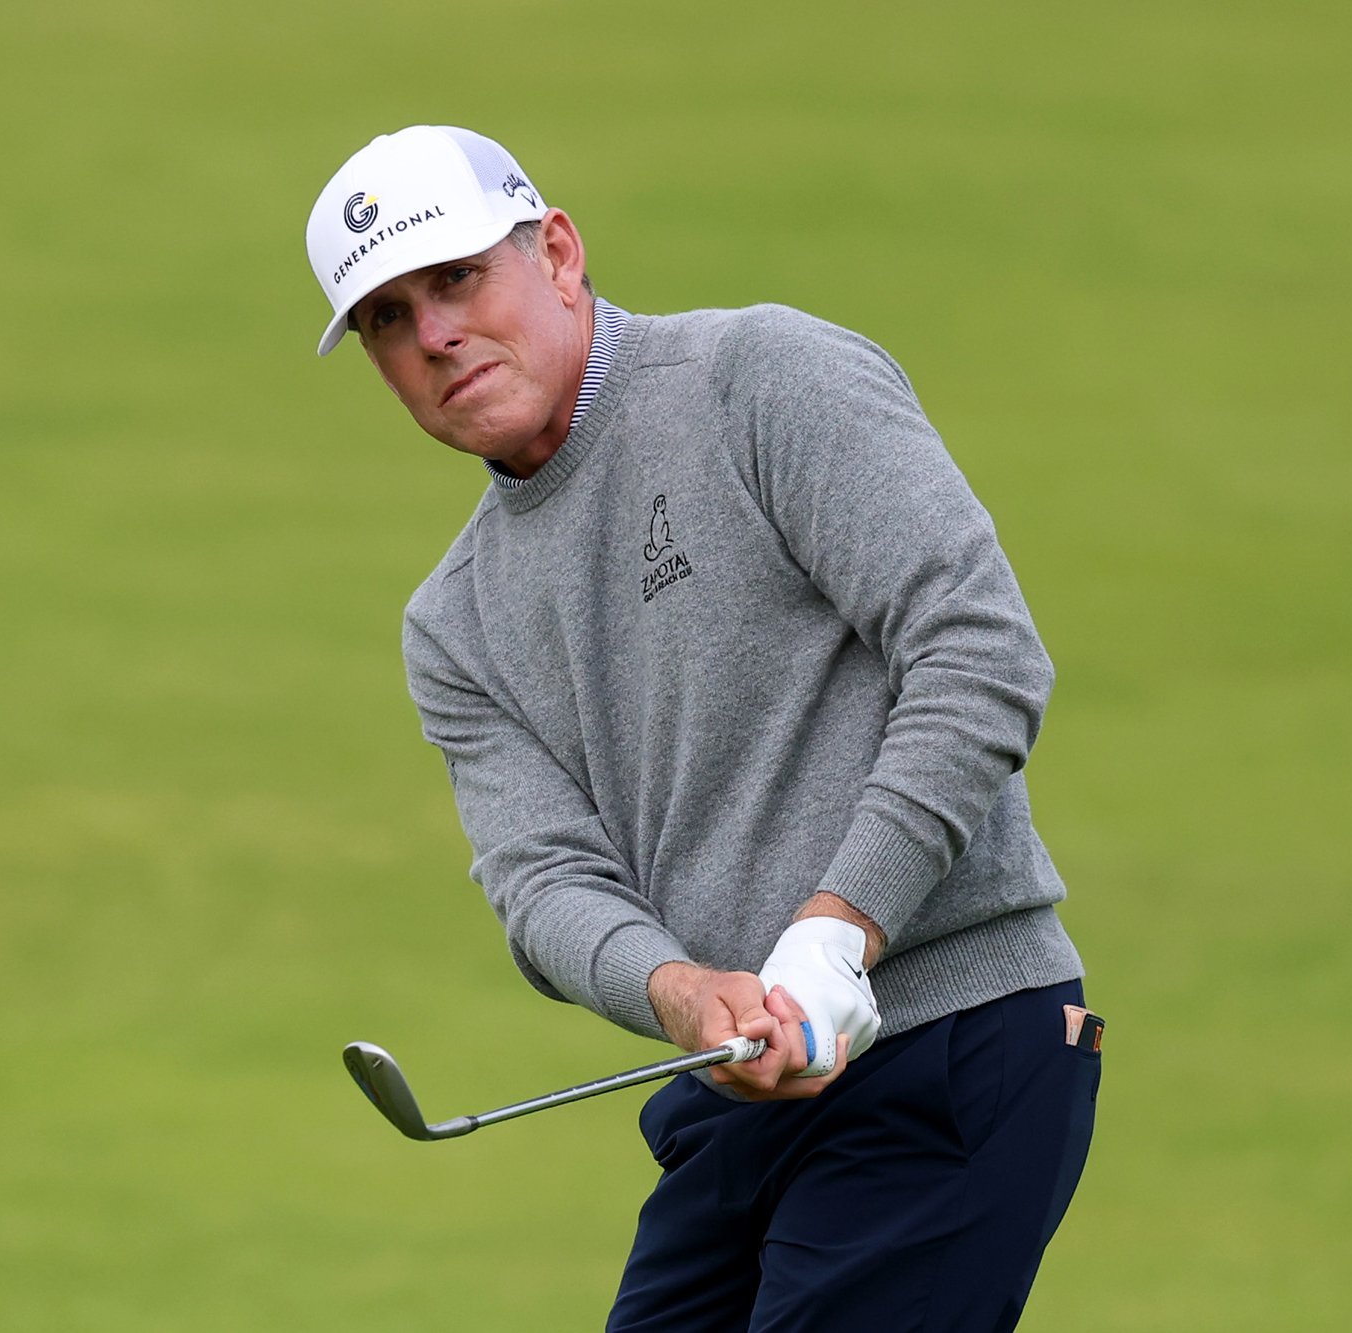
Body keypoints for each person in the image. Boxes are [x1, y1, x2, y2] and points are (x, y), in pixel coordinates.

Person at [305, 125, 1102, 1333]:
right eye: (386, 319)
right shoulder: (453, 622)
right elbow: (543, 880)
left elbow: (976, 653)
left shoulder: (758, 379)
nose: (433, 336)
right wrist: (675, 991)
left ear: (556, 252)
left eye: (457, 278)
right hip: (728, 1103)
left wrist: (835, 932)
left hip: (945, 1045)